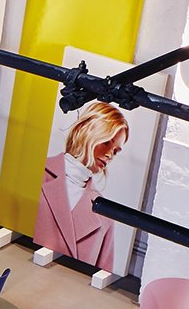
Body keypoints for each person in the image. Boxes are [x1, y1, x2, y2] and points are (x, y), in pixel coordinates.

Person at [33, 100, 129, 274]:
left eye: (116, 151)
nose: (110, 155)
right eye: (107, 142)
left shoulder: (104, 214)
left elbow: (101, 275)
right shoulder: (35, 174)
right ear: (86, 132)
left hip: (70, 296)